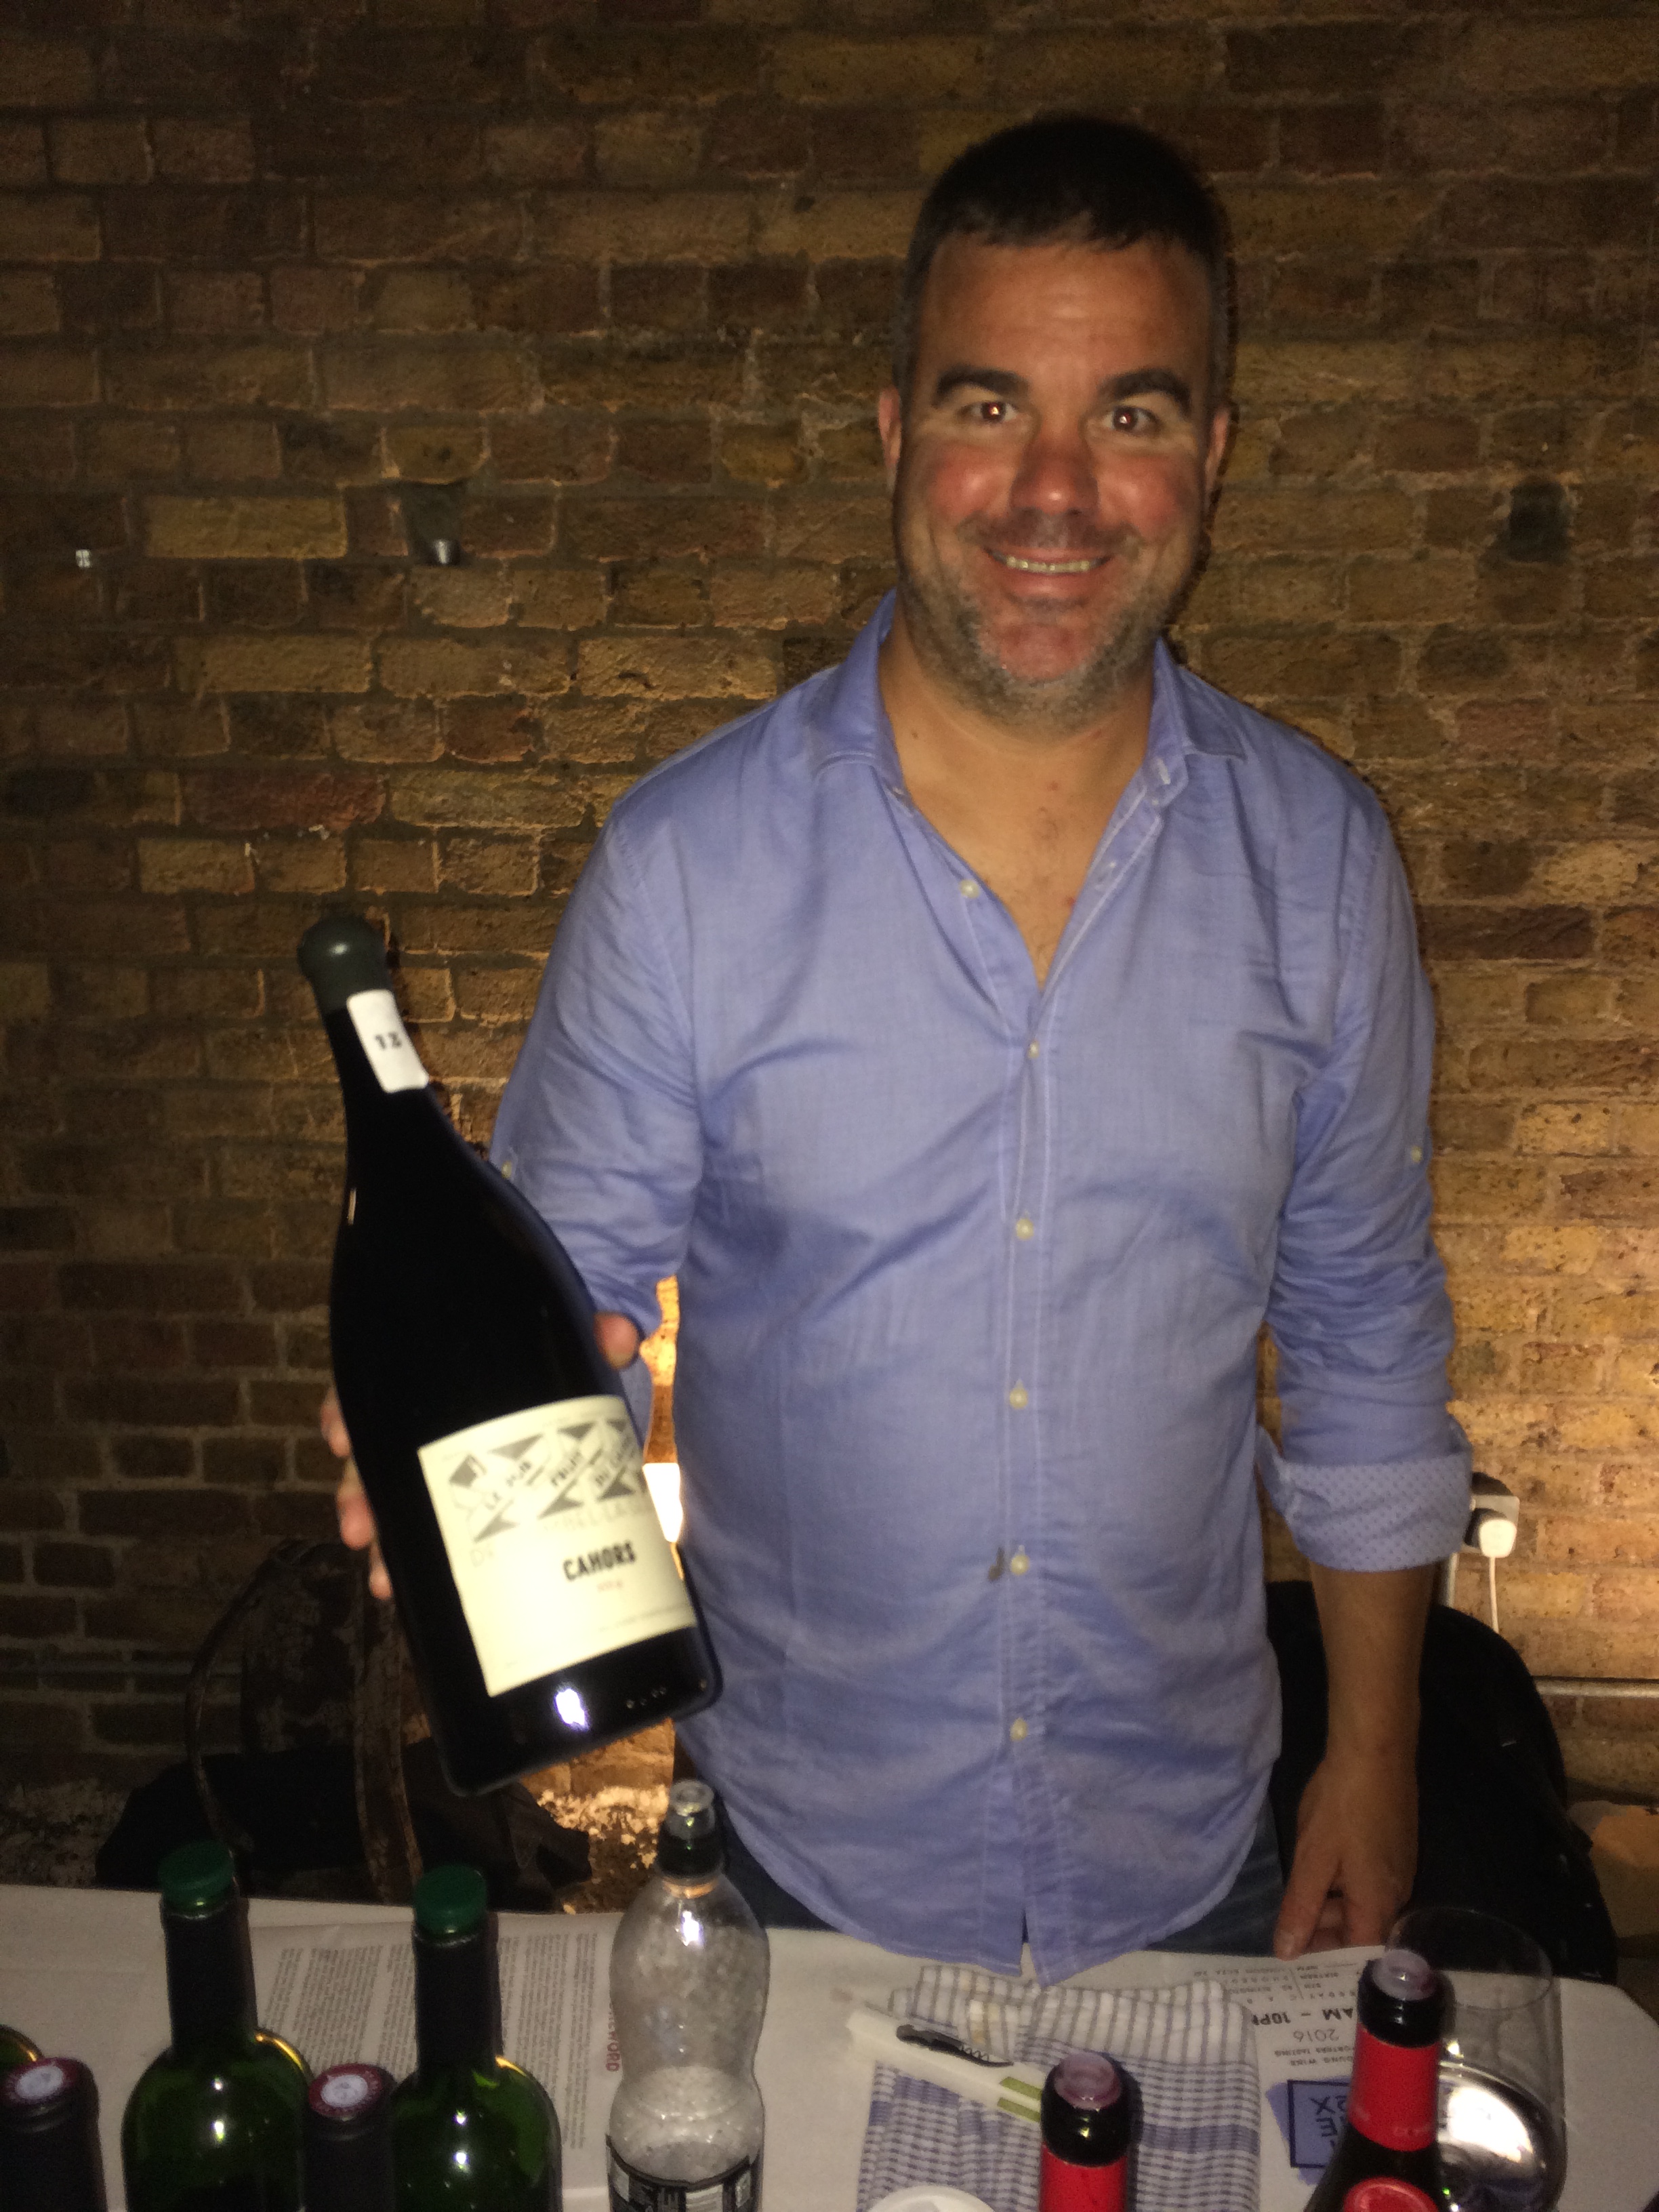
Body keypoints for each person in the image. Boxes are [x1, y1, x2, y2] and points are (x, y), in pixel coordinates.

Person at [328, 115, 1470, 1984]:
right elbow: (561, 1306)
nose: (1053, 494)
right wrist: (463, 1436)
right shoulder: (685, 869)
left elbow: (1364, 1341)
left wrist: (1376, 1754)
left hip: (1200, 1857)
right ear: (892, 432)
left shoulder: (1326, 866)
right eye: (988, 405)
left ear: (1212, 457)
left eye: (1130, 415)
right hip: (800, 1875)